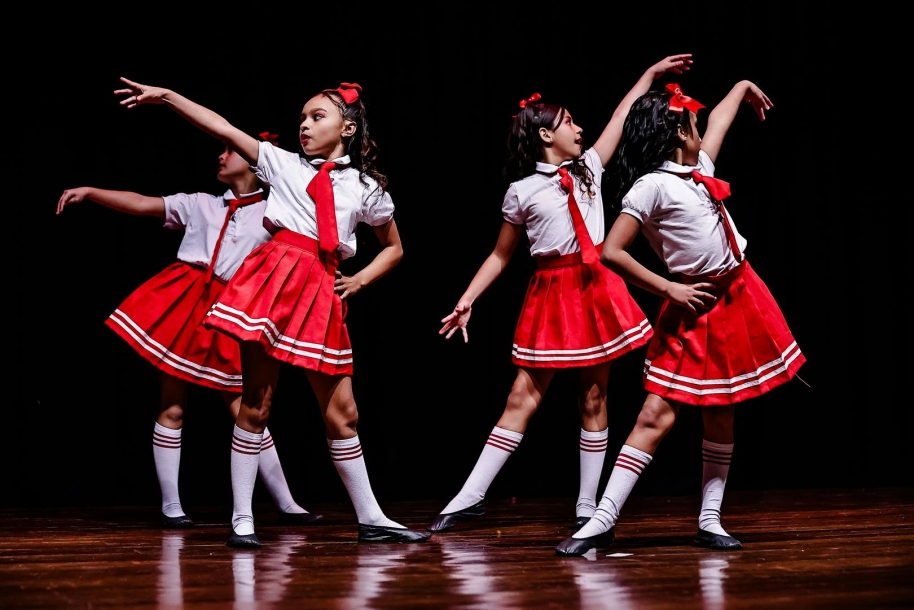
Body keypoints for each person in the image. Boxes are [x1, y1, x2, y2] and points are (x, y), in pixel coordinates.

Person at [113, 76, 430, 549]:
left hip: (322, 287)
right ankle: (243, 518)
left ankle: (372, 516)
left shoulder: (365, 187)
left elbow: (394, 248)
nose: (304, 124)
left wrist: (360, 279)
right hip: (276, 280)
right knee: (256, 402)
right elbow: (220, 125)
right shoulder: (281, 164)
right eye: (301, 117)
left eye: (316, 117)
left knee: (344, 413)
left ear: (347, 127)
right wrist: (169, 98)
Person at [428, 54, 694, 534]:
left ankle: (587, 506)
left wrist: (650, 76)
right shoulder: (522, 190)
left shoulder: (590, 167)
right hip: (553, 293)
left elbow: (620, 116)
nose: (579, 128)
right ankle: (469, 496)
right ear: (546, 135)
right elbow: (499, 256)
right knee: (522, 395)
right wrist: (467, 299)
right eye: (569, 122)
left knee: (595, 397)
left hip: (597, 289)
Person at [556, 80, 806, 556]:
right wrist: (669, 287)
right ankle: (602, 519)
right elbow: (611, 251)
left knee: (722, 406)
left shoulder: (699, 168)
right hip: (696, 305)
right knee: (655, 413)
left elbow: (720, 124)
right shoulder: (652, 186)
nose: (700, 127)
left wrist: (743, 88)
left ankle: (710, 518)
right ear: (676, 131)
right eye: (691, 122)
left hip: (739, 294)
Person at [56, 134, 323, 529]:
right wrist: (92, 191)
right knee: (172, 404)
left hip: (232, 310)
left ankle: (286, 503)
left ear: (252, 162)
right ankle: (171, 506)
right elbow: (145, 204)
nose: (221, 155)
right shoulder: (201, 202)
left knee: (246, 407)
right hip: (184, 303)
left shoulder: (275, 212)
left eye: (230, 150)